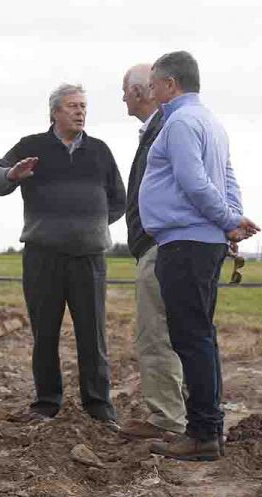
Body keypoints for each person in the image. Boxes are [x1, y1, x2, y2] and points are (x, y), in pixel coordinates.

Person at [0, 84, 126, 428]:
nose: (80, 112)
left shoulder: (100, 151)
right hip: (42, 257)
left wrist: (89, 224)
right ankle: (46, 403)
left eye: (84, 107)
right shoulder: (32, 147)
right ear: (55, 112)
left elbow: (118, 199)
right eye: (73, 106)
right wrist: (12, 175)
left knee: (93, 335)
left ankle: (99, 407)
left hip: (89, 258)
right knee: (45, 334)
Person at [140, 51, 259, 461]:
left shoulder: (180, 123)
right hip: (203, 241)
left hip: (185, 243)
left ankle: (202, 433)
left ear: (171, 84)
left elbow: (193, 182)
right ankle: (210, 428)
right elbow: (227, 179)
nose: (150, 92)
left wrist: (228, 220)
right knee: (201, 335)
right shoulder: (211, 122)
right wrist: (231, 220)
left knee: (190, 337)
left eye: (154, 84)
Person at [119, 64, 186, 441]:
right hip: (167, 244)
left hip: (160, 246)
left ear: (142, 92)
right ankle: (192, 416)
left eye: (125, 90)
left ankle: (167, 421)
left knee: (156, 334)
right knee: (183, 333)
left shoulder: (165, 130)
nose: (123, 98)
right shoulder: (161, 130)